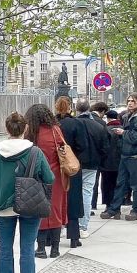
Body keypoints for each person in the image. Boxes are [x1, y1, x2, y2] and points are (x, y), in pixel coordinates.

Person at [0, 112, 54, 273]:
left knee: (4, 249)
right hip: (29, 204)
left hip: (2, 205)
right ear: (25, 129)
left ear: (7, 129)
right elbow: (49, 178)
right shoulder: (35, 152)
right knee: (27, 249)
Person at [25, 104, 66, 258]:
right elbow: (63, 149)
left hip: (36, 176)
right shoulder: (56, 130)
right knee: (55, 211)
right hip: (56, 175)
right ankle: (55, 249)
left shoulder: (31, 133)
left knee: (39, 211)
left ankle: (41, 248)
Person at [101, 93, 137, 221]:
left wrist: (124, 132)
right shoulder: (130, 116)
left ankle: (136, 210)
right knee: (121, 182)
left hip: (134, 154)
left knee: (135, 184)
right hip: (126, 153)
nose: (130, 103)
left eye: (133, 101)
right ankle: (115, 208)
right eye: (128, 101)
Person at [55, 97, 87, 248]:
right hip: (72, 164)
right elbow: (82, 145)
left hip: (55, 165)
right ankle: (74, 236)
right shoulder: (76, 123)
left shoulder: (52, 125)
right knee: (73, 199)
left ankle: (50, 236)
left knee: (55, 199)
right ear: (70, 107)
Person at [75, 100, 108, 233]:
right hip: (92, 164)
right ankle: (83, 226)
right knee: (86, 194)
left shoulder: (73, 124)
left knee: (73, 194)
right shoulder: (99, 125)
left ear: (77, 109)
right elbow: (105, 147)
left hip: (75, 164)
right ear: (89, 109)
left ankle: (71, 224)